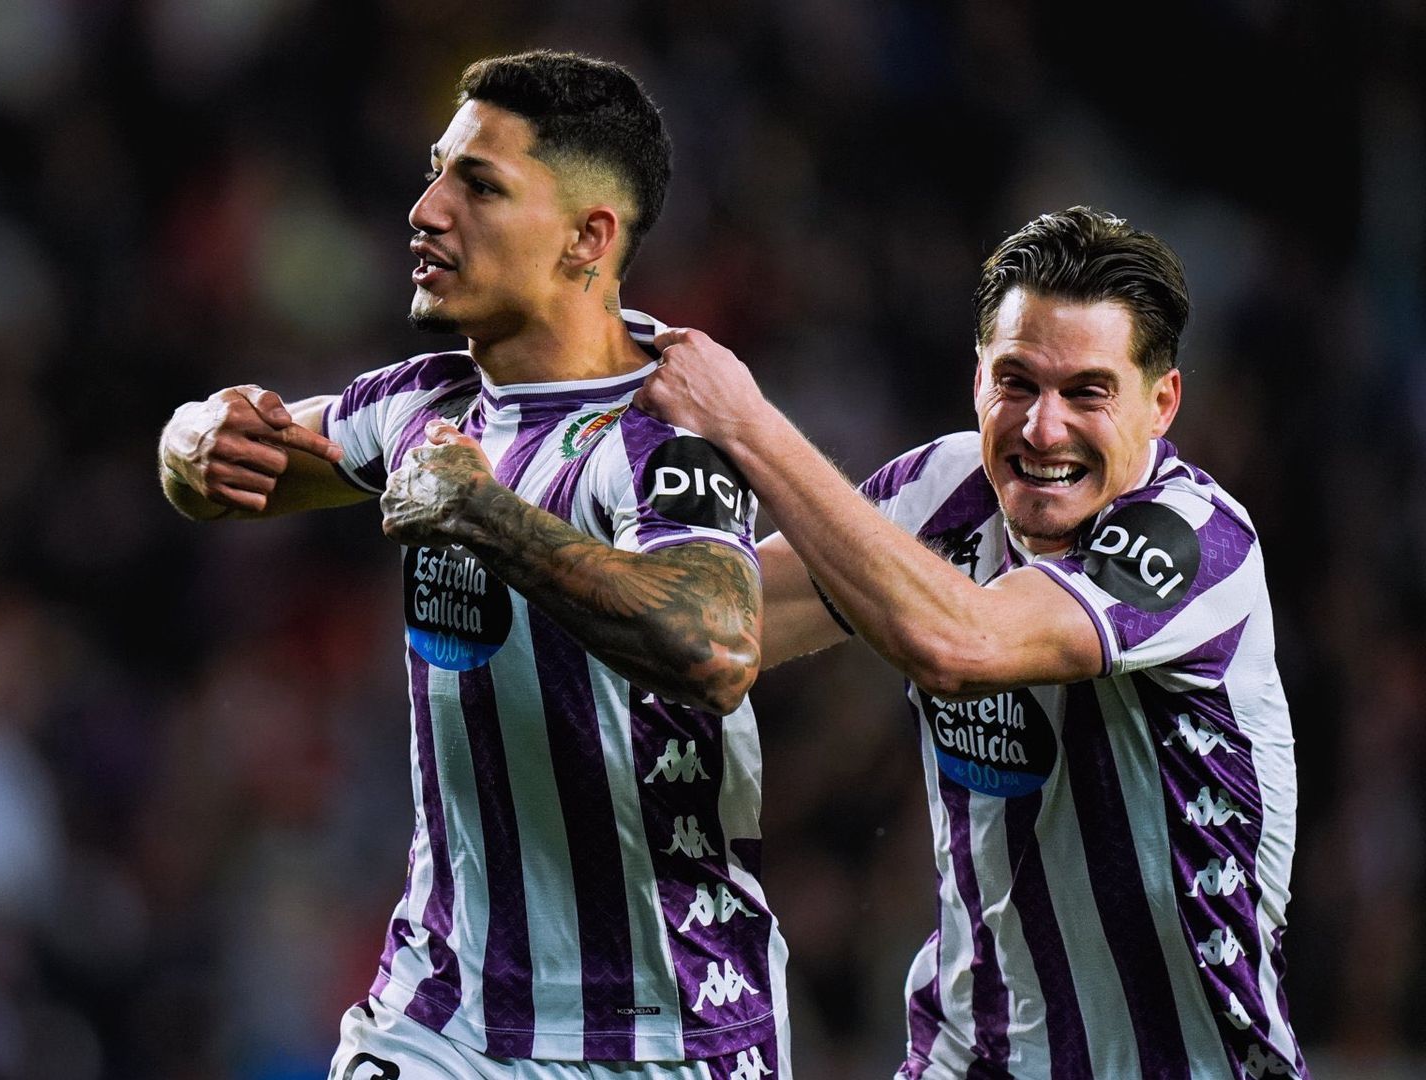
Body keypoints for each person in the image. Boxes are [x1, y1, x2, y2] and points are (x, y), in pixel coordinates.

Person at [159, 51, 791, 1080]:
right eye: (435, 174)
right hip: (440, 1015)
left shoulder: (667, 430)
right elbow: (233, 465)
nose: (427, 211)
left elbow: (715, 645)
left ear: (588, 238)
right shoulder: (425, 403)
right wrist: (187, 438)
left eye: (480, 187)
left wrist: (492, 519)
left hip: (661, 1030)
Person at [632, 207, 1305, 1079]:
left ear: (1161, 404)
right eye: (1017, 382)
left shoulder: (1197, 539)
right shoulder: (943, 491)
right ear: (978, 378)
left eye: (1088, 393)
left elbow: (962, 642)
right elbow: (717, 628)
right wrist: (514, 515)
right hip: (972, 1054)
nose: (1043, 429)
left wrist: (745, 425)